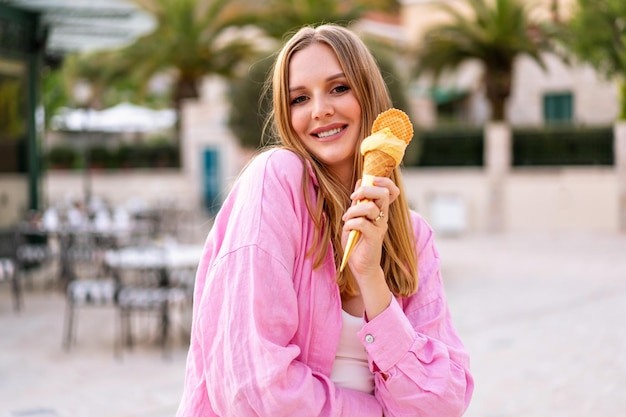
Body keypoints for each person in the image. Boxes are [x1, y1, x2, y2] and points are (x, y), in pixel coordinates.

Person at [176, 24, 473, 417]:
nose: (319, 110)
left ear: (368, 96)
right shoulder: (276, 179)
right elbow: (253, 386)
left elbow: (443, 400)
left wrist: (371, 279)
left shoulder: (413, 236)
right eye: (300, 98)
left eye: (338, 88)